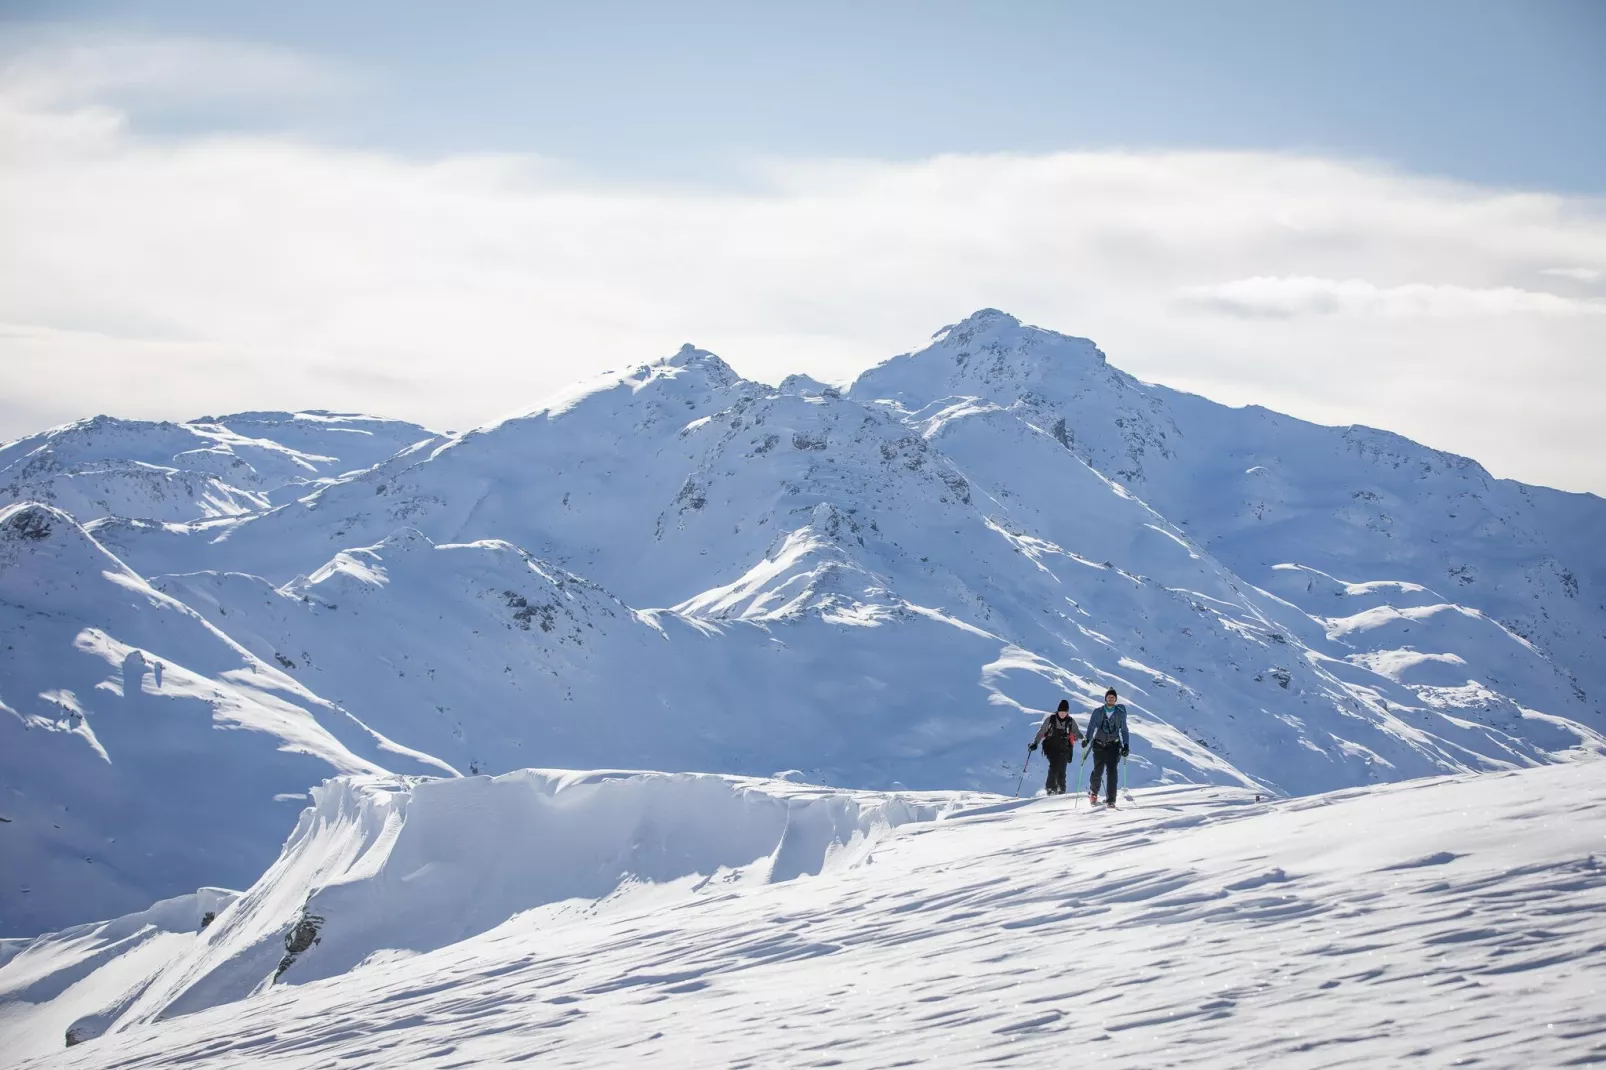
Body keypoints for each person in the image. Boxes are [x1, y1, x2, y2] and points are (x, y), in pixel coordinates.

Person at [1084, 688, 1129, 808]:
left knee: (1112, 772)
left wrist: (1126, 745)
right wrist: (1087, 739)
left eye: (1113, 697)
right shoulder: (1097, 712)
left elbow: (1124, 730)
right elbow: (1091, 727)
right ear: (1105, 698)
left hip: (1113, 746)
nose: (1111, 698)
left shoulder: (1120, 713)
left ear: (1115, 699)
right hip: (1098, 745)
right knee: (1097, 772)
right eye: (1109, 697)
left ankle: (1111, 800)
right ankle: (1094, 793)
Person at [1028, 699, 1081, 795]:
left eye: (1064, 712)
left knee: (1062, 769)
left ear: (1067, 712)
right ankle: (1050, 789)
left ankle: (1061, 790)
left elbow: (1077, 733)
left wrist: (1084, 740)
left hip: (1064, 749)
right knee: (1054, 765)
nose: (1062, 714)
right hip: (1050, 747)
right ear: (1058, 711)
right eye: (1061, 712)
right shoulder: (1051, 719)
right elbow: (1041, 732)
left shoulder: (1070, 721)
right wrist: (1035, 743)